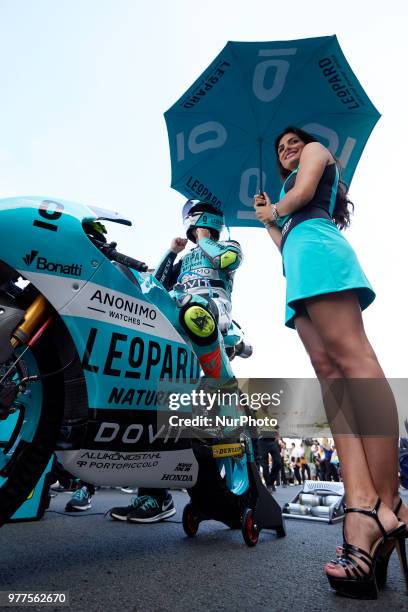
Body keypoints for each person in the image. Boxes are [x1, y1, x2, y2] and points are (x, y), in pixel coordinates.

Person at [254, 126, 407, 599]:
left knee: (354, 361)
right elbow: (284, 239)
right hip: (298, 262)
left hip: (321, 251)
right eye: (281, 148)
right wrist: (268, 222)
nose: (288, 149)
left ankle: (388, 504)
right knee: (331, 379)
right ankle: (360, 504)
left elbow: (302, 195)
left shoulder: (317, 155)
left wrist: (276, 208)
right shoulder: (284, 194)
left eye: (292, 141)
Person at [109, 200, 246, 523]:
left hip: (214, 318)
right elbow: (154, 286)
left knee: (211, 409)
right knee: (161, 407)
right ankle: (153, 496)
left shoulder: (229, 246)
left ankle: (232, 472)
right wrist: (171, 253)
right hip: (177, 332)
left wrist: (204, 239)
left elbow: (226, 260)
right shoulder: (183, 259)